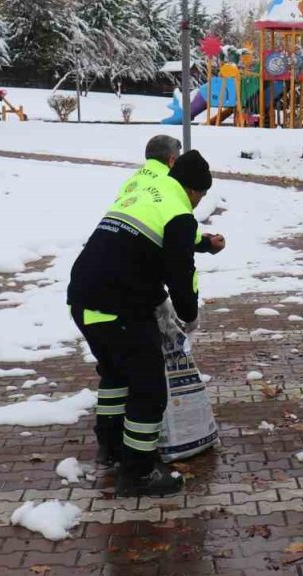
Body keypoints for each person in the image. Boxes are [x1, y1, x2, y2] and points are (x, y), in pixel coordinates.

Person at [67, 150, 216, 497]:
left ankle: (112, 448)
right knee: (148, 391)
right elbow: (181, 275)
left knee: (117, 374)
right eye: (202, 196)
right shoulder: (180, 212)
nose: (199, 202)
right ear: (195, 190)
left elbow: (162, 241)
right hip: (119, 307)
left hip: (84, 298)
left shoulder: (150, 189)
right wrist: (189, 315)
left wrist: (204, 244)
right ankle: (138, 473)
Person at [120, 135, 225, 255]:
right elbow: (178, 225)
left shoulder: (133, 180)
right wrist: (206, 243)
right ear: (172, 160)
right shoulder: (168, 182)